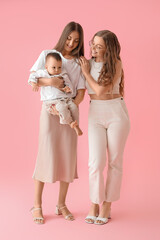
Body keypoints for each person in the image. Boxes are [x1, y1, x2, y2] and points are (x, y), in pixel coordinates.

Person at [29, 22, 85, 224]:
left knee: (67, 158)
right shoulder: (48, 54)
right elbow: (34, 79)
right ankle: (37, 205)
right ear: (64, 36)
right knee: (45, 155)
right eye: (69, 38)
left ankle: (61, 204)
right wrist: (52, 82)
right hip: (48, 112)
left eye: (76, 41)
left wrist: (69, 107)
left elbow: (80, 93)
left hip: (68, 113)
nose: (71, 43)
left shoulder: (79, 62)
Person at [80, 30, 130, 225]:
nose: (93, 48)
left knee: (115, 162)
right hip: (96, 114)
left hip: (116, 112)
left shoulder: (115, 63)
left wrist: (85, 72)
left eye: (99, 46)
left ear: (108, 48)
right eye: (93, 44)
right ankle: (94, 203)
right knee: (95, 162)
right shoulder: (87, 62)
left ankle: (107, 204)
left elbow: (101, 89)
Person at [28, 52, 83, 136]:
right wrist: (34, 83)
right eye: (54, 67)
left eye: (59, 67)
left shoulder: (63, 73)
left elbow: (68, 83)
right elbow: (32, 76)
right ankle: (71, 123)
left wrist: (68, 88)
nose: (57, 70)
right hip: (51, 102)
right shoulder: (43, 73)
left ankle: (75, 123)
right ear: (46, 67)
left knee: (73, 107)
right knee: (62, 107)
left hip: (65, 99)